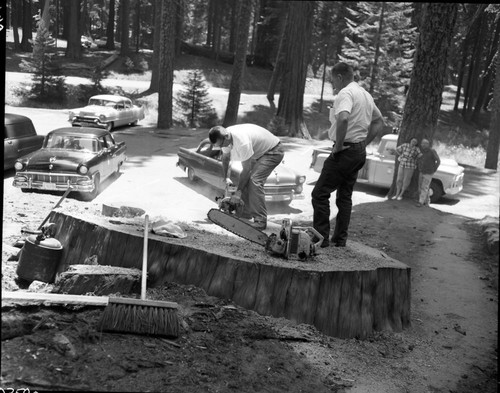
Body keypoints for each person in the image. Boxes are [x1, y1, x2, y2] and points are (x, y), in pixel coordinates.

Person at [312, 62, 384, 248]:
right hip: (358, 151)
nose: (332, 85)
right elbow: (379, 121)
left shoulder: (345, 94)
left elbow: (343, 118)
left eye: (332, 81)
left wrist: (338, 146)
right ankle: (340, 239)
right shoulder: (365, 95)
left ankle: (320, 238)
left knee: (319, 193)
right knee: (345, 196)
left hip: (344, 150)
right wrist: (363, 144)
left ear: (340, 77)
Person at [208, 124, 284, 230]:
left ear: (226, 136)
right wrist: (226, 177)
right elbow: (225, 158)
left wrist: (238, 193)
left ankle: (260, 220)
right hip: (259, 153)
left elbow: (246, 170)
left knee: (254, 180)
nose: (222, 147)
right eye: (219, 146)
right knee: (245, 180)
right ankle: (245, 213)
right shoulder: (225, 137)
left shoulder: (241, 141)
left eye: (222, 144)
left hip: (273, 151)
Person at [416, 138, 440, 207]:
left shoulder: (432, 151)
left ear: (427, 144)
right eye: (422, 143)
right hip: (421, 171)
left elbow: (438, 161)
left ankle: (420, 202)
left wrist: (434, 169)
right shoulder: (421, 151)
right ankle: (427, 202)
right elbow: (418, 159)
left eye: (424, 143)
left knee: (424, 187)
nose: (422, 145)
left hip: (429, 172)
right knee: (420, 187)